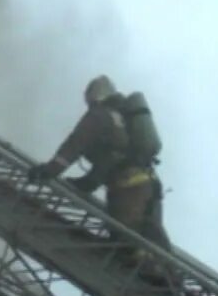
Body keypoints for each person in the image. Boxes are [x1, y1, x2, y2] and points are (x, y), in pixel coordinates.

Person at [28, 75, 171, 265]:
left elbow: (73, 146)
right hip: (149, 186)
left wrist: (48, 171)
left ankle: (155, 279)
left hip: (127, 190)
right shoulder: (123, 116)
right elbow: (111, 160)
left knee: (128, 246)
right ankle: (168, 281)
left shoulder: (99, 115)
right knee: (149, 239)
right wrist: (86, 182)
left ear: (93, 97)